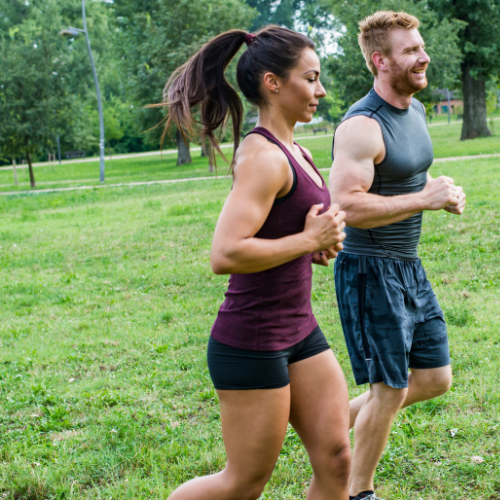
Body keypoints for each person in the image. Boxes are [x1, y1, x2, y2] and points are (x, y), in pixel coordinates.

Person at [164, 26, 351, 500]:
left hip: (299, 329)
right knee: (243, 483)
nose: (320, 90)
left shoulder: (298, 151)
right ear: (273, 82)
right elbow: (224, 253)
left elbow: (290, 232)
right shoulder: (264, 156)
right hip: (252, 340)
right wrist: (307, 238)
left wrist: (318, 243)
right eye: (310, 79)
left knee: (336, 457)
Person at [329, 11, 466, 500]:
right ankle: (357, 492)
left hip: (407, 264)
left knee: (433, 377)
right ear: (379, 61)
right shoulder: (361, 126)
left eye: (421, 46)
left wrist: (435, 192)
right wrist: (421, 200)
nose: (423, 56)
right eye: (411, 51)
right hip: (368, 270)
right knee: (390, 389)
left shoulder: (417, 111)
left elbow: (402, 180)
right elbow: (345, 205)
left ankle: (326, 427)